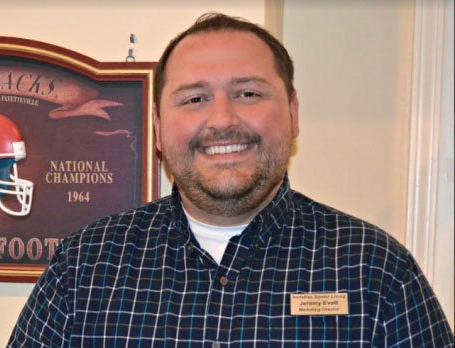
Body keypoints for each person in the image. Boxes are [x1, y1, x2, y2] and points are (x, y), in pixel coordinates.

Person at [8, 13, 454, 348]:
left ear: (293, 114)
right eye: (195, 98)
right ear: (159, 129)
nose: (221, 120)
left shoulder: (377, 272)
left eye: (248, 93)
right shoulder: (84, 266)